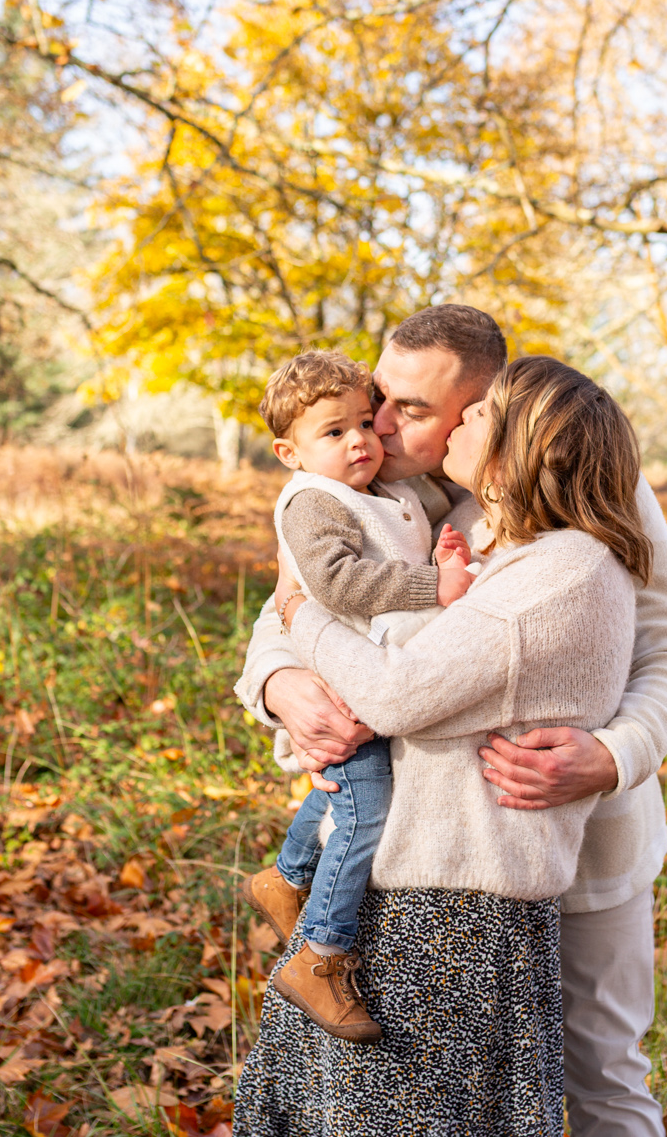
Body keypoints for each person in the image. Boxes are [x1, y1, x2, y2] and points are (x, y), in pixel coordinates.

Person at [234, 303, 667, 1137]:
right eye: (381, 395)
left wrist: (613, 753)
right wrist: (279, 685)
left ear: (490, 405)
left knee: (601, 1072)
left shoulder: (588, 482)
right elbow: (296, 604)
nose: (377, 421)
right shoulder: (367, 486)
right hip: (426, 842)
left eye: (410, 409)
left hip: (573, 831)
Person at [240, 348, 476, 1042]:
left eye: (363, 424)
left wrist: (447, 552)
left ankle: (285, 876)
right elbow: (339, 582)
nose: (359, 442)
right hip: (345, 685)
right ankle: (321, 951)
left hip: (382, 685)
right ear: (289, 451)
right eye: (333, 432)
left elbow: (431, 517)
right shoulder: (313, 501)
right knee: (365, 808)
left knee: (345, 793)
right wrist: (435, 587)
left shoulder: (391, 492)